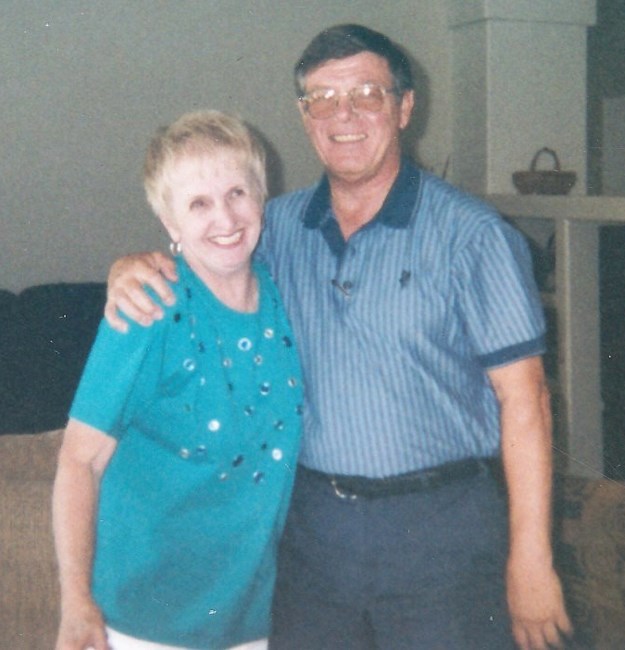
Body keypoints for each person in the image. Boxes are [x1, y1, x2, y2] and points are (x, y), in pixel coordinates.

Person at [104, 24, 572, 650]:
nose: (343, 114)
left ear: (405, 108)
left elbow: (527, 402)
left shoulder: (474, 237)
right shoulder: (275, 230)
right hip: (313, 540)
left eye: (367, 94)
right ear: (304, 117)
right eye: (322, 98)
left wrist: (532, 558)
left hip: (442, 534)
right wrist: (134, 265)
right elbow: (202, 259)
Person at [53, 110, 302, 650]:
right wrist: (75, 602)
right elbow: (79, 461)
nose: (225, 218)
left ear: (262, 198)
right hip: (144, 621)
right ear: (171, 225)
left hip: (256, 617)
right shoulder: (149, 306)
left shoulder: (288, 296)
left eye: (237, 193)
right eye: (198, 204)